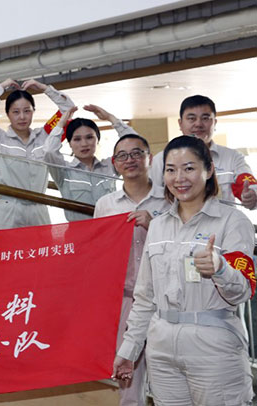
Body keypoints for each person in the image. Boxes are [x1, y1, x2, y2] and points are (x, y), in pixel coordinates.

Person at [113, 135, 255, 404]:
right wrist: (129, 349)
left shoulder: (233, 222)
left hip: (213, 347)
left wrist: (220, 269)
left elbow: (242, 292)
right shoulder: (158, 225)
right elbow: (144, 298)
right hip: (161, 349)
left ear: (208, 170)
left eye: (189, 168)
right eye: (171, 170)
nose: (179, 178)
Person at [94, 134, 170, 406]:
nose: (130, 160)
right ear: (115, 163)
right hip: (124, 300)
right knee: (127, 378)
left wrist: (154, 225)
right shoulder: (105, 204)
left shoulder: (170, 200)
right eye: (122, 156)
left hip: (165, 300)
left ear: (150, 158)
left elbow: (180, 246)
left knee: (167, 378)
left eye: (137, 153)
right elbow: (98, 254)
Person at [0, 78, 74, 229]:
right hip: (8, 209)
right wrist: (1, 86)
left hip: (38, 207)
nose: (22, 117)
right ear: (8, 114)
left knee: (41, 245)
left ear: (33, 111)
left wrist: (44, 88)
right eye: (16, 112)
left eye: (27, 111)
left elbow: (68, 108)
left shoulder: (45, 136)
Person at [149, 95, 257, 209]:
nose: (198, 124)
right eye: (191, 119)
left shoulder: (232, 157)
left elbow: (249, 186)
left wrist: (252, 196)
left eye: (205, 118)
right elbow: (151, 198)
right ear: (180, 124)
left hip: (224, 219)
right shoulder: (161, 160)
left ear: (214, 122)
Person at [44, 104, 137, 221]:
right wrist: (60, 124)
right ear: (70, 143)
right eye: (77, 139)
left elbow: (135, 144)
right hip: (80, 230)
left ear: (97, 139)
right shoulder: (63, 171)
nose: (84, 144)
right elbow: (48, 151)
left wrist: (111, 118)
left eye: (89, 137)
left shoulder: (111, 166)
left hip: (109, 227)